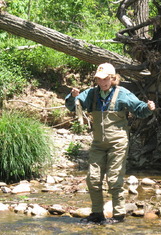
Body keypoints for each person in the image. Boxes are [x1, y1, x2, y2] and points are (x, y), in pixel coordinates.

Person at [65, 63, 155, 224]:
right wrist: (72, 96)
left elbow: (139, 109)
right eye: (99, 79)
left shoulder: (123, 94)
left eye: (106, 79)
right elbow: (73, 106)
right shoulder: (92, 94)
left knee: (114, 179)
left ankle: (119, 215)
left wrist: (148, 107)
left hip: (118, 143)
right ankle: (97, 213)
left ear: (113, 78)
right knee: (93, 179)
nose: (103, 82)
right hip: (98, 144)